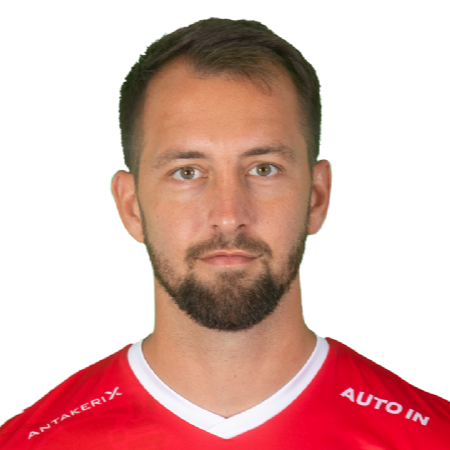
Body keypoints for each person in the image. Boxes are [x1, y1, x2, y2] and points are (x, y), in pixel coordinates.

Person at [1, 17, 449, 449]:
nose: (229, 216)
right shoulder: (32, 444)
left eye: (263, 169)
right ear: (131, 207)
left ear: (317, 197)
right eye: (187, 172)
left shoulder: (432, 438)